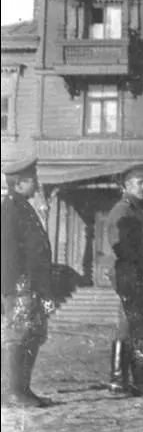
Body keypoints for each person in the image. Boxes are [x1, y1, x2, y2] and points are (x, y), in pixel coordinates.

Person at [105, 163, 143, 396]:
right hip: (129, 276)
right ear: (127, 185)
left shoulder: (135, 211)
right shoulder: (122, 211)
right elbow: (121, 248)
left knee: (137, 326)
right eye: (141, 183)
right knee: (131, 326)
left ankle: (134, 380)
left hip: (137, 277)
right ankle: (121, 381)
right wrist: (133, 275)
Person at [1, 157, 54, 408]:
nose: (37, 182)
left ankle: (24, 389)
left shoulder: (24, 207)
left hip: (32, 285)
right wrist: (19, 287)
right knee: (19, 334)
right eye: (33, 179)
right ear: (19, 183)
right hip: (20, 286)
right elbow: (8, 253)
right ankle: (13, 391)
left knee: (33, 334)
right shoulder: (10, 209)